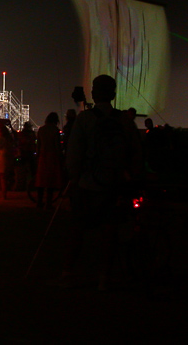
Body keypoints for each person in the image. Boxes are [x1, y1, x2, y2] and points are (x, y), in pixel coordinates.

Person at [63, 74, 132, 291]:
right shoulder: (123, 120)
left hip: (87, 183)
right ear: (113, 94)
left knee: (78, 229)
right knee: (108, 231)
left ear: (94, 92)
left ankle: (68, 273)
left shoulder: (85, 119)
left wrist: (74, 178)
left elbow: (74, 153)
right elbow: (133, 153)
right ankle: (104, 275)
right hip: (112, 184)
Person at [35, 112, 64, 209]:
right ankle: (48, 203)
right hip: (52, 156)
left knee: (41, 181)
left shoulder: (41, 130)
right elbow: (57, 145)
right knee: (50, 181)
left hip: (42, 156)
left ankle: (39, 202)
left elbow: (38, 145)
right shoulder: (55, 130)